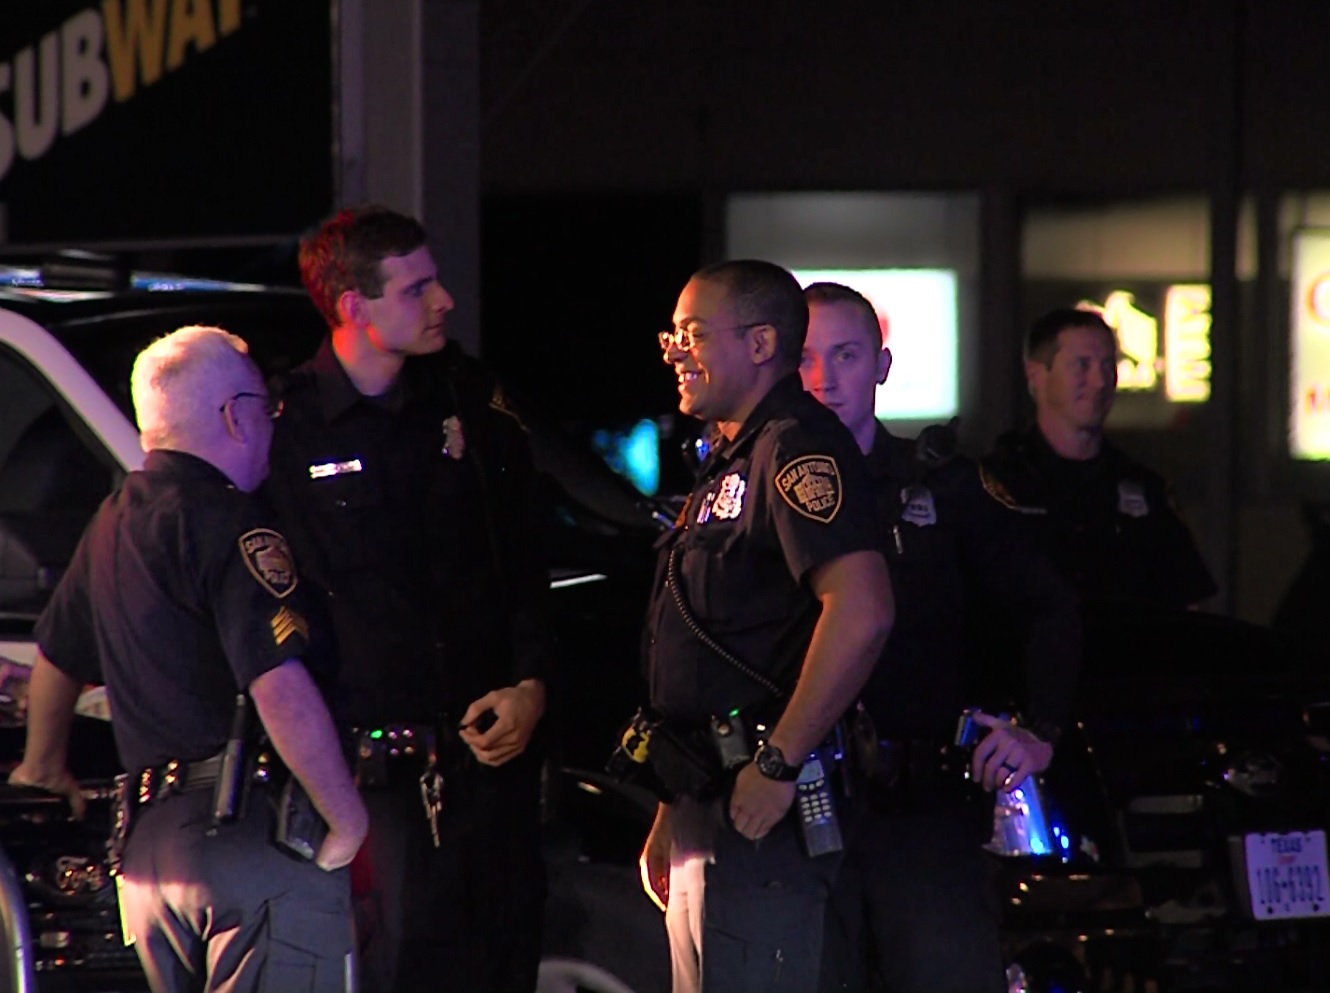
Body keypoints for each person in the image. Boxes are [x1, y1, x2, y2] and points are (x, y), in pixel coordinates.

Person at [9, 326, 367, 993]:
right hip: (248, 840)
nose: (271, 423)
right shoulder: (231, 523)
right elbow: (276, 681)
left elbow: (57, 656)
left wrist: (43, 763)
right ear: (234, 415)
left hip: (148, 859)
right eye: (264, 406)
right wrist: (343, 815)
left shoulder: (112, 522)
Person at [264, 205, 552, 993]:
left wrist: (532, 681)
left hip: (488, 775)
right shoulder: (286, 431)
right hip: (370, 786)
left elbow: (527, 558)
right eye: (417, 287)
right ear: (354, 306)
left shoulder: (469, 404)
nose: (444, 301)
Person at [799, 282, 1081, 993]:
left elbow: (1049, 607)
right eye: (804, 357)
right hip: (792, 811)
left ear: (882, 365)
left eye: (847, 354)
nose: (825, 377)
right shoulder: (757, 492)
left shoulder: (944, 491)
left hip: (920, 814)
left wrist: (1038, 727)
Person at [635, 260, 894, 993]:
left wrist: (779, 760)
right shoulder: (725, 459)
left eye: (692, 334)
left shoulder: (795, 448)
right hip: (705, 799)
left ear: (758, 344)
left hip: (763, 807)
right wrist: (671, 801)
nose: (674, 351)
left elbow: (864, 608)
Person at [981, 306, 1216, 610]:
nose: (1100, 381)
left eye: (1108, 366)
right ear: (1036, 375)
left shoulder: (1143, 488)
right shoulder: (995, 484)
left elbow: (1187, 606)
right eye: (1082, 365)